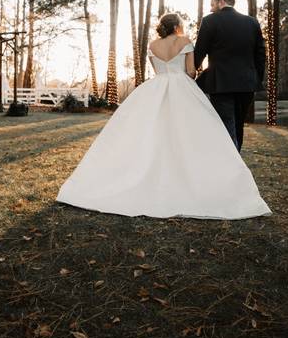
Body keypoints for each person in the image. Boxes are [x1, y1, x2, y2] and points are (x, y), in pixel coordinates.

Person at [55, 12, 270, 220]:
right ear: (177, 26)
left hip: (156, 88)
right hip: (182, 88)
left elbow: (158, 71)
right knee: (189, 132)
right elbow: (190, 72)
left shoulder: (152, 45)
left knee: (154, 130)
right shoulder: (184, 40)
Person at [194, 0, 266, 151]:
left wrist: (189, 73)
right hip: (247, 83)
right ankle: (236, 158)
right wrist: (256, 78)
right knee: (238, 123)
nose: (211, 9)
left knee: (226, 124)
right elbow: (260, 54)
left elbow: (199, 53)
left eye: (212, 5)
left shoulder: (209, 21)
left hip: (221, 83)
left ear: (221, 2)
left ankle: (233, 165)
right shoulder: (252, 22)